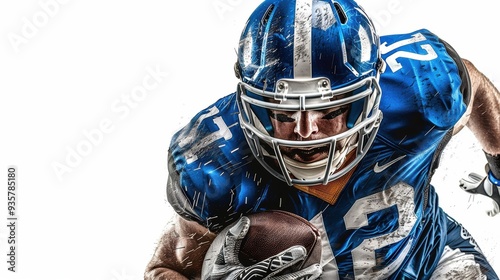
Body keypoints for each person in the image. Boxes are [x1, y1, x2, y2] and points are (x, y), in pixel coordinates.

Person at [145, 0, 500, 279]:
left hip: (431, 263)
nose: (304, 131)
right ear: (251, 103)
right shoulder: (215, 162)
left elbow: (475, 84)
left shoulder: (419, 90)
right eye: (283, 113)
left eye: (329, 111)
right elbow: (166, 270)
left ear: (366, 99)